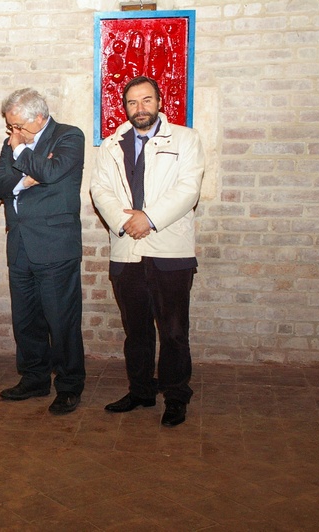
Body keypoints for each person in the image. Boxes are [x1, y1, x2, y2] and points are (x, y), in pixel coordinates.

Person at [90, 76, 205, 427]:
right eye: (132, 102)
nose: (140, 108)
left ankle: (176, 396)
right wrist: (125, 222)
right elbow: (99, 189)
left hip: (170, 249)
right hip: (127, 250)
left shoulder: (185, 139)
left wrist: (149, 219)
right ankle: (141, 391)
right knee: (136, 330)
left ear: (159, 101)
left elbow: (188, 189)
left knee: (173, 331)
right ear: (125, 107)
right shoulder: (111, 145)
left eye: (146, 100)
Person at [0, 88, 86, 415]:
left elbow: (52, 173)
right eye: (11, 127)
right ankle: (34, 378)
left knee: (61, 320)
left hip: (55, 245)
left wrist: (20, 153)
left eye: (19, 126)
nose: (14, 133)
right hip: (20, 245)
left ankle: (69, 385)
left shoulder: (68, 137)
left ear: (40, 117)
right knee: (26, 319)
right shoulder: (14, 141)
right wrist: (22, 182)